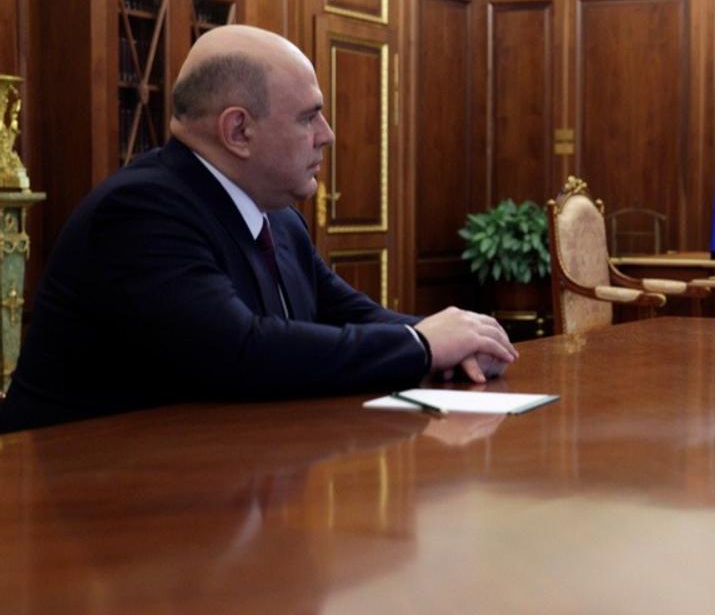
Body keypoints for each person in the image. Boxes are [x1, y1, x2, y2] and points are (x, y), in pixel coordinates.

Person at [0, 25, 517, 432]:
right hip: (83, 505)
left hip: (210, 486)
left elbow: (351, 315)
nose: (327, 136)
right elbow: (241, 351)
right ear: (239, 130)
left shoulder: (279, 217)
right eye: (309, 118)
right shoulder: (142, 211)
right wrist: (422, 346)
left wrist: (457, 342)